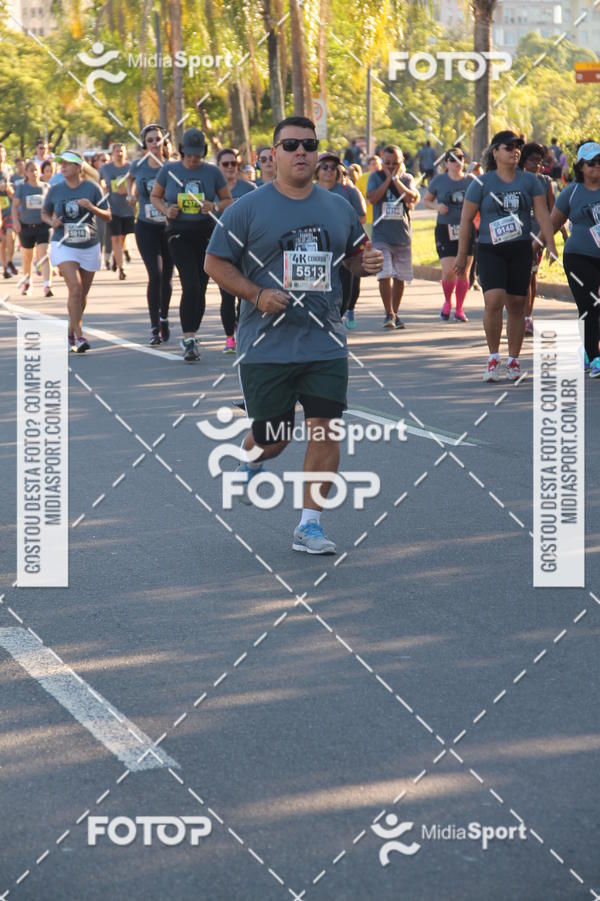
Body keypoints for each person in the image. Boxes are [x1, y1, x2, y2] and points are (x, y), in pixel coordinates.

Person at [204, 115, 384, 554]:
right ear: (273, 154)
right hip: (266, 345)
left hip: (325, 341)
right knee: (274, 438)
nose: (301, 151)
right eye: (291, 145)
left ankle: (309, 526)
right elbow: (214, 263)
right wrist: (257, 294)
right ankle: (251, 458)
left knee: (325, 430)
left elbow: (353, 257)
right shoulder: (247, 208)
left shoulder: (338, 207)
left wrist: (366, 264)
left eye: (309, 144)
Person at [455, 130, 557, 382]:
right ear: (495, 152)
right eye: (509, 147)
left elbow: (543, 214)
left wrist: (551, 244)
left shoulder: (530, 182)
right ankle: (493, 357)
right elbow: (466, 221)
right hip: (490, 249)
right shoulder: (481, 183)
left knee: (517, 304)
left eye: (518, 147)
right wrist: (461, 256)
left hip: (520, 248)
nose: (515, 151)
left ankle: (513, 360)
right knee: (493, 301)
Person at [150, 127, 232, 361]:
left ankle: (193, 332)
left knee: (201, 286)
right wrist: (167, 209)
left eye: (197, 154)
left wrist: (214, 206)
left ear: (203, 152)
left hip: (205, 232)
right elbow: (155, 196)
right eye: (189, 154)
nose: (193, 159)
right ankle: (188, 338)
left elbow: (227, 199)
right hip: (179, 233)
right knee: (191, 284)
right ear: (181, 151)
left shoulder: (212, 172)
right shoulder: (169, 170)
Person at [42, 150, 111, 352]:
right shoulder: (55, 189)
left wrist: (92, 207)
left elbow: (108, 215)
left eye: (67, 163)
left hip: (89, 245)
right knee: (75, 288)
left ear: (79, 167)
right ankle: (80, 337)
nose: (62, 166)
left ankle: (70, 332)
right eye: (61, 163)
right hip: (63, 244)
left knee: (81, 295)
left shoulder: (92, 188)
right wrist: (52, 222)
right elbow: (45, 213)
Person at [550, 141, 600, 377]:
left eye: (599, 162)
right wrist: (536, 247)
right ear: (580, 167)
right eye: (591, 163)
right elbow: (552, 223)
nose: (596, 166)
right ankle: (595, 356)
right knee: (590, 305)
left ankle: (590, 351)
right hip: (579, 257)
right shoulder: (571, 192)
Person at [129, 124, 174, 345]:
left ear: (164, 141)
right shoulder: (138, 166)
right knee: (155, 274)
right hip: (146, 226)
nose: (155, 143)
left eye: (158, 139)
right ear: (144, 144)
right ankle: (154, 326)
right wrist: (131, 195)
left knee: (167, 277)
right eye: (150, 140)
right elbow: (130, 179)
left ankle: (164, 316)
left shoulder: (172, 167)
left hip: (169, 227)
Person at [366, 144, 420, 328]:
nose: (390, 166)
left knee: (399, 277)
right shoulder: (375, 177)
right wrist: (387, 180)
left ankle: (394, 314)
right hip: (381, 235)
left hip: (402, 236)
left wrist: (395, 180)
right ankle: (388, 313)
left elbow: (411, 198)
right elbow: (372, 198)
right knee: (384, 273)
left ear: (401, 161)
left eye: (394, 163)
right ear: (382, 161)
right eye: (387, 163)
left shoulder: (407, 178)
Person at [315, 151, 366, 329]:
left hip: (343, 249)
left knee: (346, 291)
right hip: (317, 251)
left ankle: (341, 315)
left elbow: (361, 217)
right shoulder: (307, 191)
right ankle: (323, 324)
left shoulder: (348, 190)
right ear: (316, 170)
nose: (329, 170)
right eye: (324, 167)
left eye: (333, 167)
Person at [424, 147, 474, 321]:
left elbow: (481, 199)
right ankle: (447, 301)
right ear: (446, 163)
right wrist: (437, 207)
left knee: (464, 271)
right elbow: (426, 200)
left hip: (466, 228)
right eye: (452, 159)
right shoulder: (439, 180)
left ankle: (459, 308)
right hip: (445, 228)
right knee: (448, 271)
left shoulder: (470, 181)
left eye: (460, 158)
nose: (457, 162)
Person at [216, 147, 256, 353]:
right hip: (222, 248)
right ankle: (229, 338)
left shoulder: (250, 188)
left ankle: (240, 330)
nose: (230, 167)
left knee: (243, 293)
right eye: (226, 164)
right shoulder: (213, 189)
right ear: (218, 166)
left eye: (234, 163)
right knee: (226, 295)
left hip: (245, 249)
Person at [518, 142, 560, 336]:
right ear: (523, 161)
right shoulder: (515, 180)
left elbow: (553, 212)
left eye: (540, 161)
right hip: (518, 235)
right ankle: (519, 313)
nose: (537, 164)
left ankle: (527, 316)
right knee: (522, 275)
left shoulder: (545, 182)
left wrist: (552, 237)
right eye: (532, 160)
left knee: (531, 275)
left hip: (538, 236)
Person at [12, 160, 52, 297]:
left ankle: (47, 285)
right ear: (26, 173)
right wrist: (15, 221)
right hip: (26, 225)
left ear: (39, 171)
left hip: (42, 226)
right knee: (27, 257)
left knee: (44, 253)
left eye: (36, 170)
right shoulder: (22, 188)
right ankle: (28, 284)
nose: (34, 173)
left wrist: (52, 219)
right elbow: (14, 206)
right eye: (31, 170)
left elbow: (52, 205)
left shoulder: (46, 187)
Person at [100, 143, 133, 279]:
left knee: (123, 237)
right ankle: (121, 268)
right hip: (112, 208)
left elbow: (136, 183)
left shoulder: (131, 167)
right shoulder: (106, 168)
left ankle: (116, 255)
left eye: (121, 151)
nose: (119, 154)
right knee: (116, 237)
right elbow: (99, 181)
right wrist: (103, 187)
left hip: (128, 209)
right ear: (112, 154)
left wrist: (130, 191)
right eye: (117, 151)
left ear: (125, 153)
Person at [91, 152, 111, 268]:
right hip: (98, 209)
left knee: (110, 235)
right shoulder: (93, 176)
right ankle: (98, 258)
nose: (105, 163)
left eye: (107, 160)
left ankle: (108, 258)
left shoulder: (110, 172)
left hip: (112, 207)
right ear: (96, 162)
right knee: (101, 233)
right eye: (103, 160)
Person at [0, 145, 16, 278]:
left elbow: (14, 189)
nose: (1, 156)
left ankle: (9, 262)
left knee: (11, 236)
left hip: (9, 207)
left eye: (2, 153)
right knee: (3, 240)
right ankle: (5, 267)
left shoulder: (9, 169)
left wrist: (9, 189)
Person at [356, 155, 382, 239]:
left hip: (382, 218)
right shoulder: (362, 179)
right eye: (373, 164)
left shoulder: (385, 178)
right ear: (368, 166)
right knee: (370, 241)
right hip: (368, 218)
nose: (376, 166)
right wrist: (364, 201)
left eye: (378, 164)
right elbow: (356, 197)